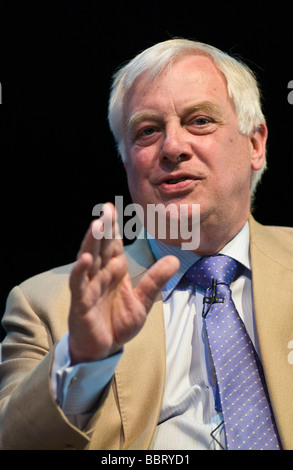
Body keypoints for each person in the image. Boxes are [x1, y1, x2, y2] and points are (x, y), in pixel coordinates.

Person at [0, 38, 292, 450]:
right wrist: (84, 358)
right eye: (148, 130)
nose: (172, 147)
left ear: (255, 144)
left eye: (200, 121)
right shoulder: (47, 305)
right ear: (126, 162)